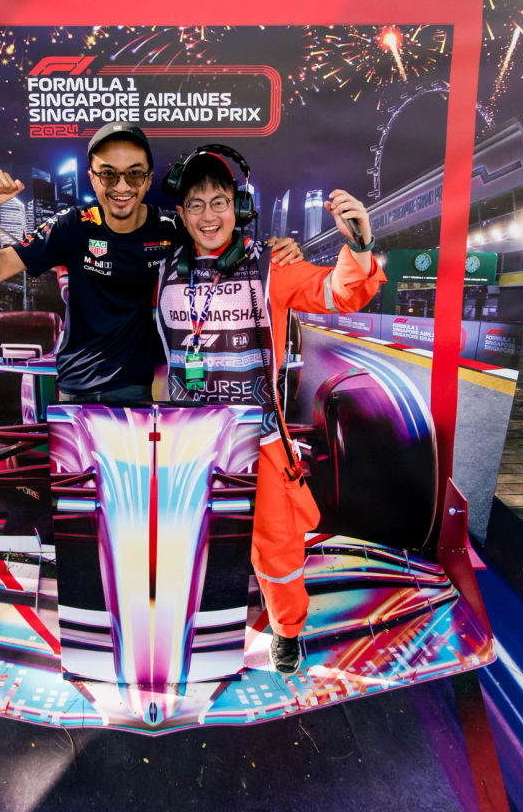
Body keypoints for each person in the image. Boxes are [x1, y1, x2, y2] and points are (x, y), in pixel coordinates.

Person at [154, 149, 384, 675]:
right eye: (195, 205)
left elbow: (340, 293)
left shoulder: (271, 264)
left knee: (277, 554)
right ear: (182, 215)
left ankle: (286, 631)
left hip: (259, 445)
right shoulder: (163, 271)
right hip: (189, 446)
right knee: (185, 549)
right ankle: (187, 630)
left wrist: (361, 244)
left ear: (238, 206)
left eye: (219, 202)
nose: (209, 216)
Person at [0, 122, 301, 403]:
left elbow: (220, 237)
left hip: (140, 387)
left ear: (148, 178)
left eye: (134, 175)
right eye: (109, 175)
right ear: (93, 177)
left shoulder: (171, 228)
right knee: (79, 482)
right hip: (74, 388)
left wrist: (274, 250)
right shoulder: (70, 225)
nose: (122, 187)